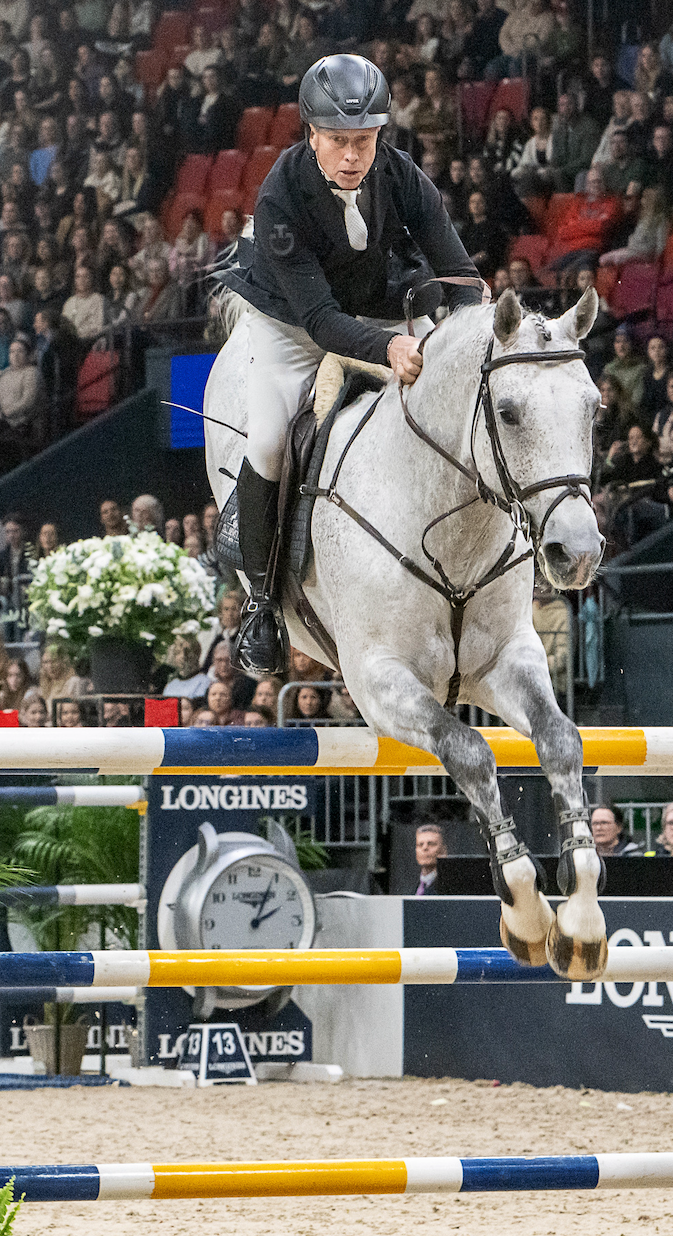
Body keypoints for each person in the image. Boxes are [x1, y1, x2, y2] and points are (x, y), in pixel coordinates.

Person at [213, 54, 482, 677]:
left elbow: (456, 270)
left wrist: (477, 328)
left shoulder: (400, 172)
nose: (353, 155)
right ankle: (260, 603)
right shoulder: (281, 195)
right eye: (339, 141)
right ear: (311, 134)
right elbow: (322, 322)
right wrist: (389, 349)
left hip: (378, 308)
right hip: (293, 328)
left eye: (364, 140)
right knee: (271, 438)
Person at [413, 822, 444, 893]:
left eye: (431, 844)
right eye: (420, 844)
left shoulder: (447, 886)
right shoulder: (411, 886)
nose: (425, 848)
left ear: (443, 850)